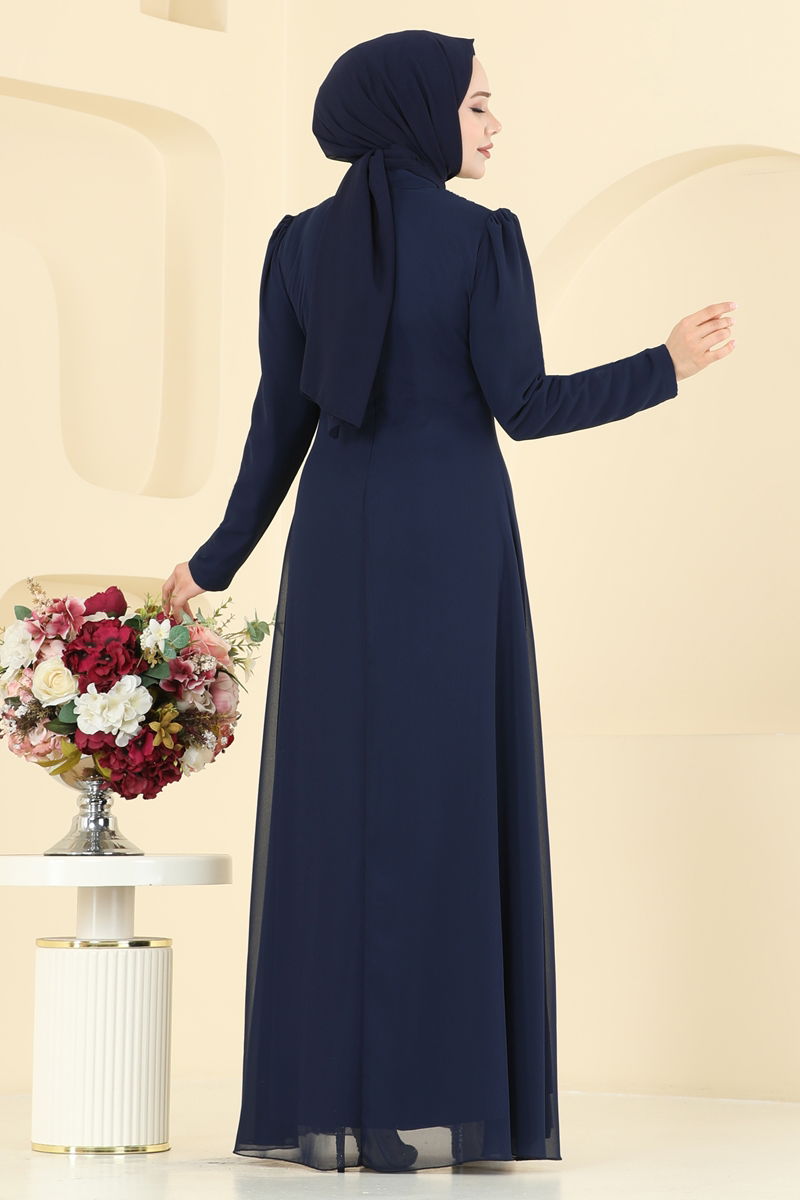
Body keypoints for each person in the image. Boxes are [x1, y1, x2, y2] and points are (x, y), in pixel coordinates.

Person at [161, 30, 736, 1174]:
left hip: (335, 546)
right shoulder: (481, 238)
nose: (492, 125)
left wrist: (215, 560)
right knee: (447, 808)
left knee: (340, 815)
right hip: (451, 547)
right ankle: (454, 1100)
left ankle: (339, 1105)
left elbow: (281, 425)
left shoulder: (296, 244)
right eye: (476, 105)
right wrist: (662, 366)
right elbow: (523, 405)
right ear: (416, 112)